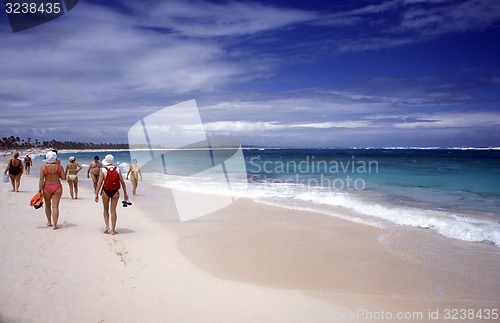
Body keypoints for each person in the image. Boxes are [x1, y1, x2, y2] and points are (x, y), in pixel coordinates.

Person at [95, 154, 128, 235]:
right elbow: (122, 182)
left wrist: (96, 193)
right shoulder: (117, 169)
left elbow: (100, 182)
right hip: (115, 191)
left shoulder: (103, 169)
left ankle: (107, 226)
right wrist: (125, 193)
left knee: (105, 209)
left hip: (105, 191)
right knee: (113, 211)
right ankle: (113, 230)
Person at [39, 151, 66, 230]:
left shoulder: (43, 168)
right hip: (57, 186)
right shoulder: (59, 167)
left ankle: (49, 221)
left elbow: (41, 180)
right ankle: (55, 224)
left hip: (46, 187)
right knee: (55, 207)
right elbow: (63, 178)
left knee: (47, 205)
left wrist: (40, 190)